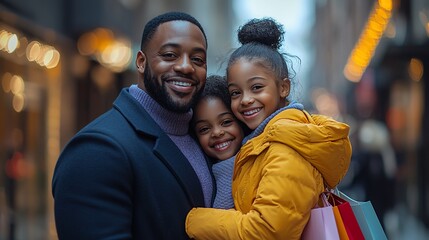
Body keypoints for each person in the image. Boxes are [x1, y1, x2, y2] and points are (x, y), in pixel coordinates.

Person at [52, 12, 215, 240]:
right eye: (170, 55)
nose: (186, 67)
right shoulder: (96, 151)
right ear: (141, 62)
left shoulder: (207, 138)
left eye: (198, 59)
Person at [185, 18, 352, 239]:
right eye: (236, 92)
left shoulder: (287, 149)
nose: (245, 100)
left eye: (256, 87)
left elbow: (266, 232)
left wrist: (194, 220)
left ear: (283, 87)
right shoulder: (262, 142)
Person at [191, 75, 245, 209]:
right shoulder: (205, 176)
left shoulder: (261, 162)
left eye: (226, 122)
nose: (217, 133)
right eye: (204, 129)